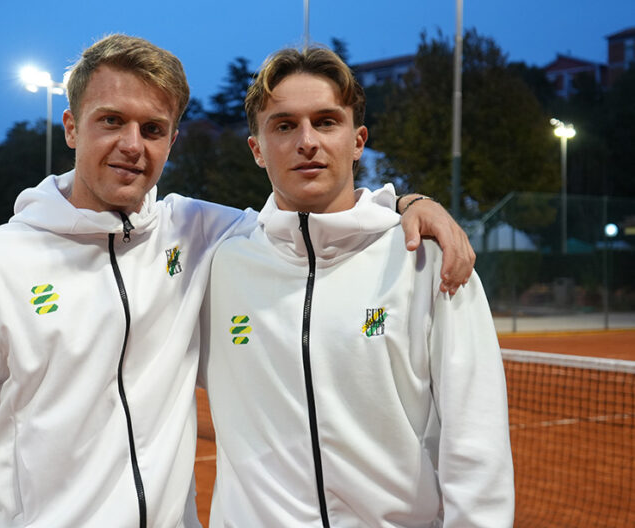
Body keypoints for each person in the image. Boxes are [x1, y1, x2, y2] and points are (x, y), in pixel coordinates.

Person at [0, 34, 476, 527]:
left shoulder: (197, 232)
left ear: (171, 141)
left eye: (153, 128)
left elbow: (310, 221)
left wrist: (405, 203)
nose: (132, 144)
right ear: (71, 127)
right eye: (111, 120)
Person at [200, 46, 514, 527]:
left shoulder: (428, 259)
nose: (307, 141)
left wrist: (411, 202)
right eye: (284, 126)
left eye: (326, 122)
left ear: (357, 140)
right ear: (257, 149)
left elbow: (477, 441)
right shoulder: (216, 261)